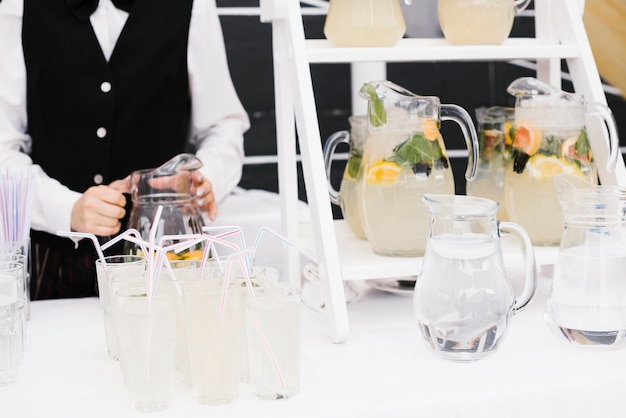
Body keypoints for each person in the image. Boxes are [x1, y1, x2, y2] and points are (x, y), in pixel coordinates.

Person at [0, 0, 250, 299]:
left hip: (167, 260)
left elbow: (223, 126)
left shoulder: (194, 5)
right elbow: (3, 147)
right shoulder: (17, 6)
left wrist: (206, 180)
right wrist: (65, 209)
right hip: (55, 261)